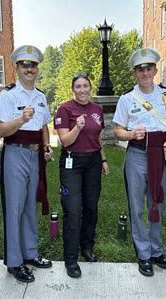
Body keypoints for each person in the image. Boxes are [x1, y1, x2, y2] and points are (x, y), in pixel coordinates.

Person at [113, 48, 166, 277]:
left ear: (155, 70)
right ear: (135, 73)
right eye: (140, 69)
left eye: (148, 68)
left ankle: (156, 250)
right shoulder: (127, 98)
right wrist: (130, 134)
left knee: (157, 202)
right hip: (137, 155)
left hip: (158, 156)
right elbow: (117, 130)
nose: (144, 73)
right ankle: (143, 254)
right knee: (137, 206)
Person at [0, 45, 53, 283]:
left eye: (33, 65)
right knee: (15, 207)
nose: (29, 69)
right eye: (24, 65)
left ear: (38, 69)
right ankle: (14, 261)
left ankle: (30, 253)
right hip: (15, 153)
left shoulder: (40, 96)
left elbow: (45, 125)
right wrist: (20, 119)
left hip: (35, 155)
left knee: (30, 204)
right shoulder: (7, 95)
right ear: (16, 67)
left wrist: (47, 146)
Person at [53, 73, 109, 278]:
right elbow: (65, 141)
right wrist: (77, 127)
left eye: (86, 86)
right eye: (78, 86)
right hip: (72, 163)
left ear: (90, 88)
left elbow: (97, 137)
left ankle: (87, 247)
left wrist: (103, 159)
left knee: (91, 207)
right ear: (73, 89)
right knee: (73, 210)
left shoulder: (97, 109)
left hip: (93, 162)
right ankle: (70, 258)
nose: (83, 90)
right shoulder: (65, 109)